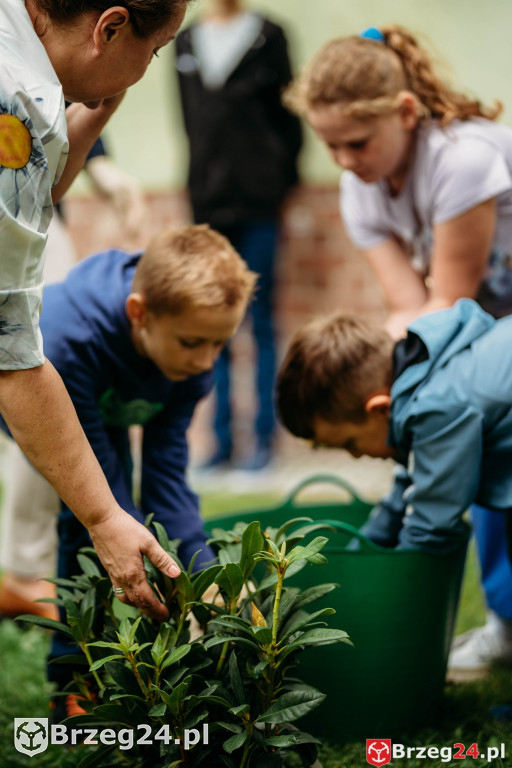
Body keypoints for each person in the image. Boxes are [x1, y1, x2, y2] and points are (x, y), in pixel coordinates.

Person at [284, 24, 512, 679]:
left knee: (479, 460)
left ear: (405, 114)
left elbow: (451, 299)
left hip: (484, 327)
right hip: (478, 339)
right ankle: (508, 624)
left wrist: (400, 403)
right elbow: (408, 311)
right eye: (330, 147)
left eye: (357, 142)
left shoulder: (462, 159)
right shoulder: (360, 184)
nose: (345, 161)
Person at [0, 224, 255, 703]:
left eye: (219, 345)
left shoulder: (192, 347)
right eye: (193, 344)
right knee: (90, 524)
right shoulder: (72, 339)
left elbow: (167, 479)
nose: (206, 363)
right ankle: (73, 685)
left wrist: (206, 579)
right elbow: (106, 505)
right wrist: (114, 521)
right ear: (139, 314)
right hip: (36, 394)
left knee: (146, 510)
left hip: (111, 396)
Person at [0, 0, 190, 620]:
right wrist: (106, 515)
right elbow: (12, 353)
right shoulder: (16, 98)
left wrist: (82, 127)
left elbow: (29, 190)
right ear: (109, 28)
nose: (147, 68)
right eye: (154, 49)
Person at [276, 300, 512, 567]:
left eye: (350, 443)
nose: (355, 456)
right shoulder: (421, 379)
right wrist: (357, 558)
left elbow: (430, 527)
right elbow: (406, 492)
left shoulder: (436, 408)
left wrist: (387, 585)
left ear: (380, 410)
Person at [175, 0, 302, 470]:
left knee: (261, 318)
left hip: (260, 202)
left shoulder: (269, 34)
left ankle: (265, 441)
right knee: (212, 320)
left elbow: (289, 121)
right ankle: (222, 443)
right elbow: (188, 122)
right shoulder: (185, 40)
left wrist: (278, 182)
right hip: (208, 202)